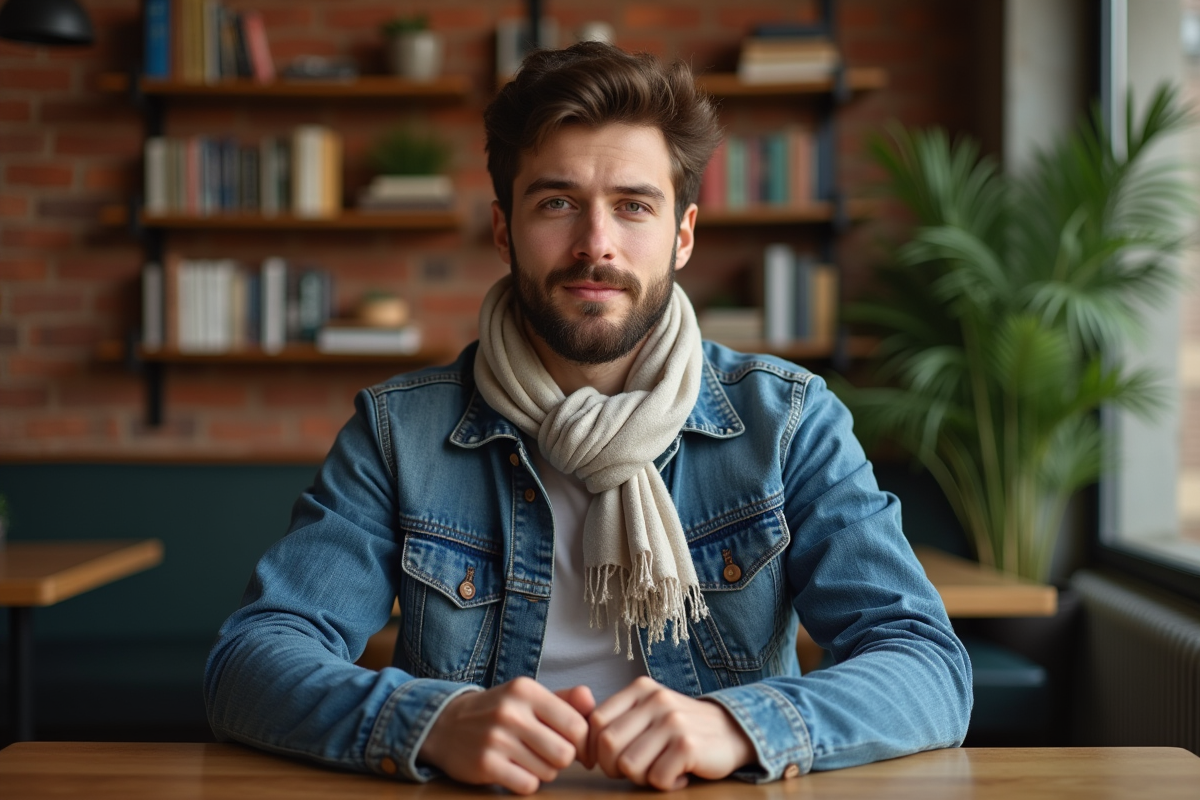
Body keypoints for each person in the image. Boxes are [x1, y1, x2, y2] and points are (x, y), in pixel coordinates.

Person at [204, 41, 972, 795]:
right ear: (505, 230)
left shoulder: (789, 421)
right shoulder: (400, 432)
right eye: (558, 203)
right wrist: (431, 722)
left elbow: (927, 666)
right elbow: (251, 661)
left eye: (633, 206)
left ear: (683, 234)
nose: (595, 245)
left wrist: (740, 727)